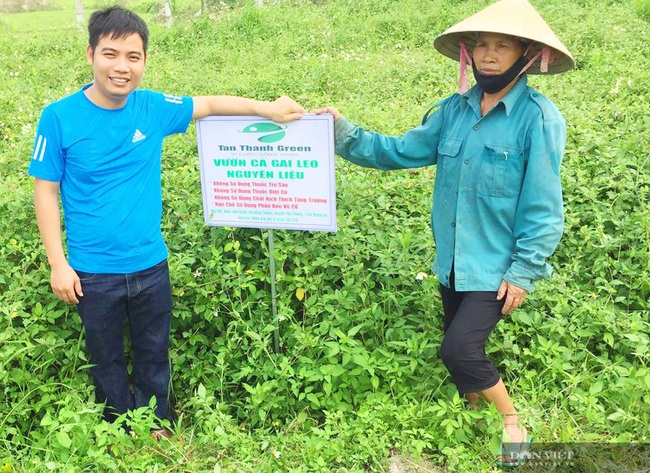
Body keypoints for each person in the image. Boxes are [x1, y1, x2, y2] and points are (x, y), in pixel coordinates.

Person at [313, 0, 573, 466]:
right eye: (481, 45)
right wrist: (341, 130)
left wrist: (525, 269)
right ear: (468, 53)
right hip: (452, 258)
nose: (488, 54)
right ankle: (468, 414)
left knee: (458, 348)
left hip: (495, 266)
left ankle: (512, 420)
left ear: (526, 54)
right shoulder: (454, 110)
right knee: (460, 345)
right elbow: (397, 151)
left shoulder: (539, 117)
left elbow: (543, 204)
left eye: (502, 45)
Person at [28, 5, 304, 439]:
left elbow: (209, 104)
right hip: (92, 272)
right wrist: (57, 263)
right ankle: (117, 428)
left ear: (144, 61)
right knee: (106, 357)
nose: (122, 67)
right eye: (111, 54)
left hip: (151, 265)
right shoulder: (59, 117)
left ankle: (157, 422)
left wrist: (268, 108)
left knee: (154, 351)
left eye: (133, 57)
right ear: (90, 55)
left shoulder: (153, 107)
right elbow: (45, 191)